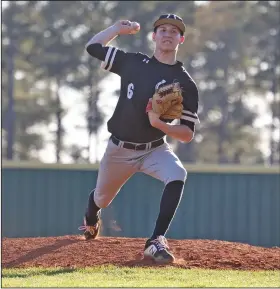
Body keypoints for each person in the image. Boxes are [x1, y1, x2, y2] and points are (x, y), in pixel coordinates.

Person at [78, 14, 200, 264]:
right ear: (154, 36)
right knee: (101, 198)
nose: (168, 34)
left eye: (174, 31)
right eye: (162, 30)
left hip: (155, 149)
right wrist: (116, 29)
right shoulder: (134, 63)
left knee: (178, 174)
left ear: (181, 39)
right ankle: (91, 216)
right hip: (119, 149)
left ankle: (156, 240)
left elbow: (187, 134)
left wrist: (159, 124)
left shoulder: (186, 83)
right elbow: (93, 47)